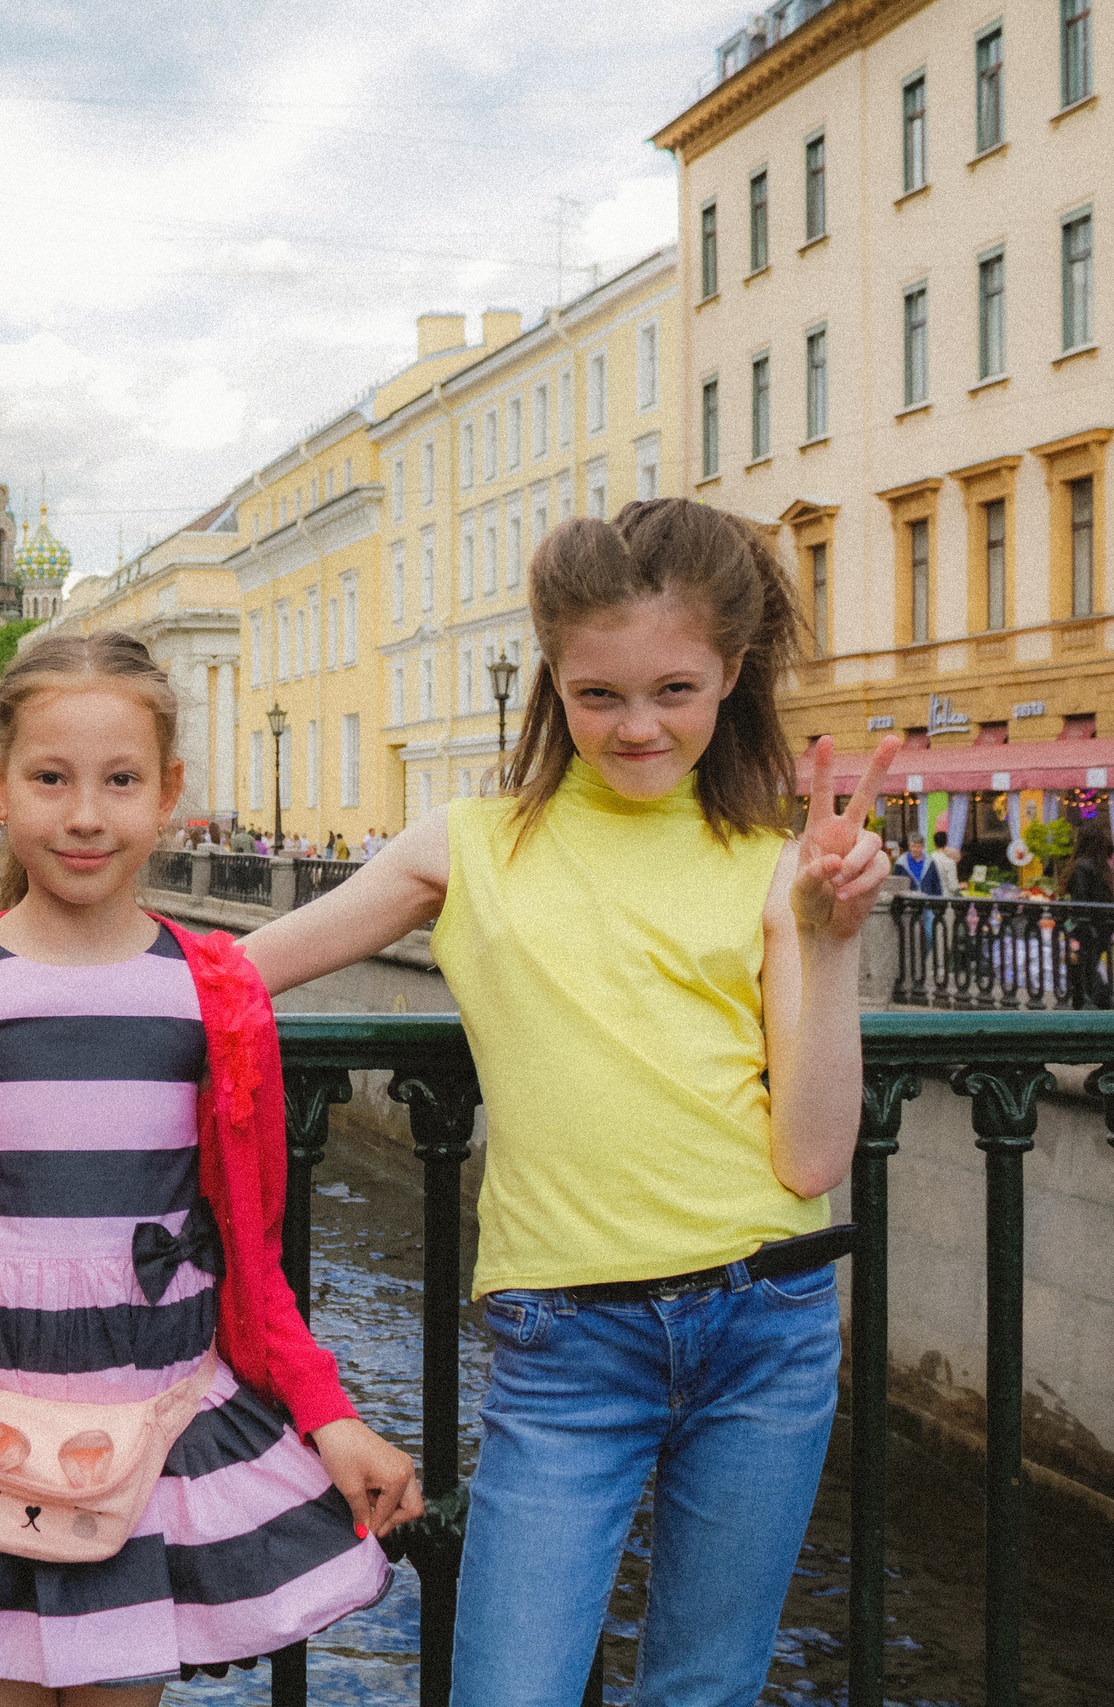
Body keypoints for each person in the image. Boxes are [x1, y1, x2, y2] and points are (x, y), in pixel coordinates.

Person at [220, 501, 894, 1703]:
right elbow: (232, 974)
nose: (638, 727)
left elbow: (809, 1155)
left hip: (765, 1322)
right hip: (568, 1345)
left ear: (731, 676)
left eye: (675, 690)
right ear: (553, 677)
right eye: (600, 696)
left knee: (702, 1688)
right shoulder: (466, 845)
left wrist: (829, 939)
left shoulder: (776, 866)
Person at [0, 629, 419, 1701]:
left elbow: (251, 1255)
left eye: (119, 781)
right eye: (51, 779)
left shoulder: (215, 994)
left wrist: (327, 1411)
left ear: (167, 792)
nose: (83, 815)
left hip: (149, 1409)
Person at [1064, 818, 1114, 1008]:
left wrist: (1077, 922)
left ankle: (1090, 998)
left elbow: (1080, 896)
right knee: (1092, 962)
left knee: (1083, 962)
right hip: (1103, 922)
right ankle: (1100, 997)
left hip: (1087, 923)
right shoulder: (1104, 865)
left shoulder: (1081, 865)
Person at [928, 829, 962, 899]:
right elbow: (953, 886)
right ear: (946, 843)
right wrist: (961, 885)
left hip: (930, 897)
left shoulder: (928, 860)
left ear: (934, 843)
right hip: (945, 898)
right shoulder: (950, 862)